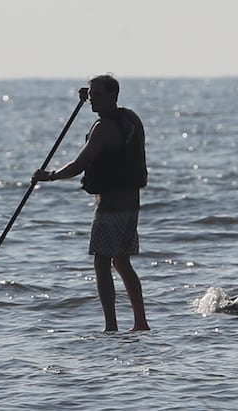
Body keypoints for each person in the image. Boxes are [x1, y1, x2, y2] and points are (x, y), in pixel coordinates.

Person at [32, 74, 150, 332]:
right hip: (131, 206)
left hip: (111, 208)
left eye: (97, 94)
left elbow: (79, 164)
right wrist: (86, 95)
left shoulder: (104, 127)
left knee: (101, 262)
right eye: (90, 93)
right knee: (121, 262)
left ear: (112, 95)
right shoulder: (131, 119)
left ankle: (111, 326)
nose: (91, 99)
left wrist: (49, 176)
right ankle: (141, 323)